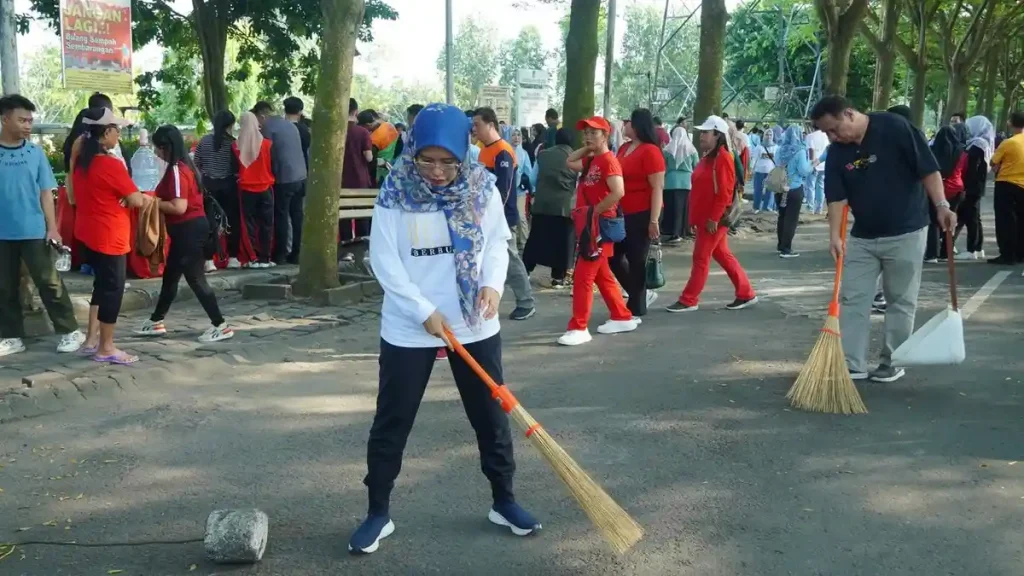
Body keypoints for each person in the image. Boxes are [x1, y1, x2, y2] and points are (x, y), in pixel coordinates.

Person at [350, 103, 539, 554]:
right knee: (393, 419)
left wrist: (493, 286)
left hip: (474, 322)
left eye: (447, 160)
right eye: (426, 159)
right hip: (410, 326)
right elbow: (384, 260)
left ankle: (503, 500)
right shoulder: (395, 190)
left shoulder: (481, 188)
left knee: (491, 417)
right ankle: (378, 512)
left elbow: (497, 242)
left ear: (464, 154)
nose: (436, 171)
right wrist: (421, 310)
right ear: (412, 151)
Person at [811, 95, 952, 383]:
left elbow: (928, 169)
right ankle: (853, 363)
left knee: (900, 300)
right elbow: (836, 196)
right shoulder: (838, 150)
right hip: (863, 235)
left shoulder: (895, 128)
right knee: (852, 298)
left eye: (834, 129)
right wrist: (834, 236)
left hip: (907, 231)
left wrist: (941, 205)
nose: (832, 137)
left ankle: (893, 360)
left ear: (850, 113)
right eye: (826, 132)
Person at [0, 95, 86, 357]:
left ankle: (70, 330)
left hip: (34, 230)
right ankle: (11, 336)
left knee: (49, 283)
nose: (28, 125)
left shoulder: (35, 153)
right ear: (5, 119)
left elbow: (46, 193)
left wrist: (52, 227)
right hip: (3, 233)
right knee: (5, 287)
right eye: (22, 119)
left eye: (30, 120)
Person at [135, 126, 233, 343]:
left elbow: (179, 206)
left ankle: (220, 324)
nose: (156, 152)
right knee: (171, 277)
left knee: (196, 279)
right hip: (187, 229)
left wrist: (153, 202)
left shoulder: (178, 170)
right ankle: (156, 320)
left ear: (163, 147)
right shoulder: (185, 167)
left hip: (188, 228)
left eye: (157, 148)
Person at [72, 107, 148, 364]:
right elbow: (136, 199)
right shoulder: (109, 163)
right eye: (116, 129)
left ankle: (91, 340)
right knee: (113, 289)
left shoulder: (82, 160)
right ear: (106, 132)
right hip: (110, 234)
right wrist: (129, 199)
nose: (118, 134)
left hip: (88, 232)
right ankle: (106, 346)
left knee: (101, 286)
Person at [559, 116, 638, 346]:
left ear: (606, 134)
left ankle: (579, 326)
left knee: (583, 276)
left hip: (599, 225)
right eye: (586, 133)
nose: (588, 136)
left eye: (594, 133)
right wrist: (588, 147)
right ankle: (622, 316)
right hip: (592, 224)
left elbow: (618, 191)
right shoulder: (594, 160)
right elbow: (569, 161)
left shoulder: (609, 161)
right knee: (602, 276)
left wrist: (594, 211)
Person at [667, 116, 757, 313]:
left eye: (706, 132)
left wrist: (713, 219)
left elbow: (724, 194)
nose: (701, 135)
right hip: (706, 219)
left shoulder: (723, 158)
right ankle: (746, 293)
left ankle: (689, 299)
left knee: (701, 258)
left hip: (713, 220)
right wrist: (694, 218)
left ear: (718, 135)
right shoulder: (709, 157)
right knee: (722, 255)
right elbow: (700, 190)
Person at [473, 107, 536, 320]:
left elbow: (505, 188)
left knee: (510, 257)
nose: (475, 129)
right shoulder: (484, 150)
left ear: (491, 125)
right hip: (484, 214)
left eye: (478, 125)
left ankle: (526, 302)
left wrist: (493, 212)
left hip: (501, 216)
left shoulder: (503, 151)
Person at [611, 109, 666, 317]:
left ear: (636, 125)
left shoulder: (651, 151)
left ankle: (637, 305)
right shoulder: (624, 148)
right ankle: (638, 293)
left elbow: (657, 187)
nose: (623, 125)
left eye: (627, 122)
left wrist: (653, 220)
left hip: (644, 212)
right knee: (614, 257)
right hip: (622, 211)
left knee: (636, 259)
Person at [252, 101, 308, 265]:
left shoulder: (268, 129)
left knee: (281, 216)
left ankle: (280, 254)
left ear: (262, 116)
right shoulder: (290, 125)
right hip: (301, 176)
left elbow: (267, 155)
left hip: (284, 178)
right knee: (297, 216)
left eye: (257, 120)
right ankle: (297, 253)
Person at [523, 128, 577, 288]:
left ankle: (526, 270)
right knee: (563, 242)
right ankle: (558, 277)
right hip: (565, 206)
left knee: (537, 239)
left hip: (542, 204)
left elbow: (532, 179)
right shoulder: (576, 157)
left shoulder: (543, 155)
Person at [194, 110, 241, 268]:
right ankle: (233, 258)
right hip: (229, 186)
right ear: (231, 125)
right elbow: (237, 167)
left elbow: (197, 163)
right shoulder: (233, 143)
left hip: (208, 187)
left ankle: (209, 261)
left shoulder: (204, 141)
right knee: (232, 221)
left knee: (210, 222)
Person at [233, 111, 275, 268]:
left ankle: (252, 258)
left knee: (248, 225)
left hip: (246, 190)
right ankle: (265, 258)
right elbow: (274, 166)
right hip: (266, 188)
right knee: (267, 224)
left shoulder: (236, 146)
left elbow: (234, 169)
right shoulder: (267, 144)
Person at [924, 126, 967, 262]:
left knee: (933, 221)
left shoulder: (932, 151)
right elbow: (965, 170)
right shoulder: (962, 152)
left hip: (937, 188)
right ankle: (946, 252)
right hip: (956, 188)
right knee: (950, 221)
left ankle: (932, 254)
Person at [954, 116, 994, 260]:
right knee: (975, 217)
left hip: (972, 185)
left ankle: (972, 249)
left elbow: (972, 169)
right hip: (978, 185)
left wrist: (965, 186)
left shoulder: (977, 145)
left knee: (971, 217)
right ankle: (977, 248)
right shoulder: (985, 144)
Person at [988, 111, 1024, 265]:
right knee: (1021, 220)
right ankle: (1020, 254)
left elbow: (993, 162)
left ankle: (1007, 254)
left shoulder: (1008, 143)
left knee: (1005, 221)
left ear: (1010, 123)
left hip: (1006, 184)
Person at [774, 126, 814, 259]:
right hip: (794, 188)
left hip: (779, 188)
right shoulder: (800, 151)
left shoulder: (780, 149)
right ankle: (786, 249)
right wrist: (811, 165)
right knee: (791, 219)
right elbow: (803, 170)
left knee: (782, 217)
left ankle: (780, 244)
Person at [662, 125, 699, 244]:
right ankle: (681, 232)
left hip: (669, 182)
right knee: (682, 209)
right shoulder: (692, 149)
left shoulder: (667, 149)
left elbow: (663, 166)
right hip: (686, 183)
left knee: (670, 208)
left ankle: (669, 231)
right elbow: (697, 166)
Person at [509, 129, 534, 251]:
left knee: (521, 216)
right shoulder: (505, 151)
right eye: (513, 134)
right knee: (510, 217)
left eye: (519, 135)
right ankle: (512, 243)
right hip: (507, 190)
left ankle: (524, 242)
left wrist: (530, 188)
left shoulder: (523, 153)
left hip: (519, 190)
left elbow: (529, 172)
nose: (516, 137)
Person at [750, 131, 778, 213]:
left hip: (771, 172)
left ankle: (767, 207)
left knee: (770, 191)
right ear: (764, 135)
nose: (769, 136)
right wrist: (751, 169)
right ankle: (756, 207)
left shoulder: (776, 147)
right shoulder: (759, 147)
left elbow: (778, 159)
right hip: (759, 171)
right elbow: (754, 159)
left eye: (770, 135)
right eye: (767, 134)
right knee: (758, 190)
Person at [804, 124, 830, 214]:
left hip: (814, 163)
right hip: (824, 164)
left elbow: (811, 150)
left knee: (811, 187)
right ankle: (819, 209)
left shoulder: (810, 136)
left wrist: (812, 164)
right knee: (821, 187)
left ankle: (810, 208)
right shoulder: (826, 136)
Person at [283, 96, 312, 169]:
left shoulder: (278, 128)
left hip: (282, 170)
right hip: (301, 169)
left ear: (285, 110)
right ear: (300, 111)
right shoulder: (304, 130)